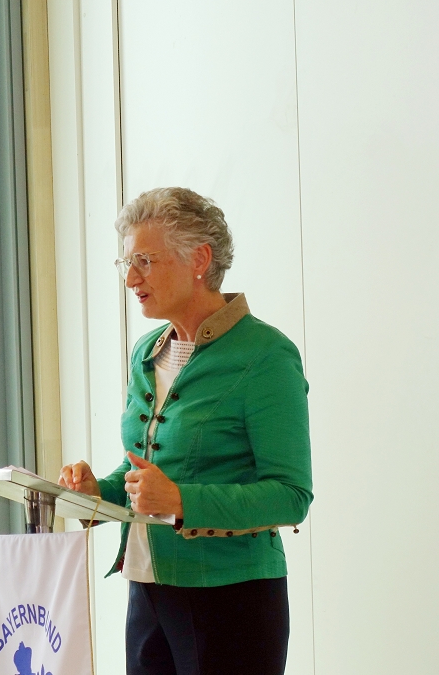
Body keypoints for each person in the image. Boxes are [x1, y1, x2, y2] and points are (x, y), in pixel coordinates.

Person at [59, 187, 312, 675]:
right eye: (126, 263)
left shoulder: (266, 356)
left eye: (145, 261)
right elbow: (148, 471)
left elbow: (290, 495)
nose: (131, 278)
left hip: (233, 599)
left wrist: (181, 501)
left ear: (199, 259)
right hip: (147, 590)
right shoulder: (146, 351)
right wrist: (98, 492)